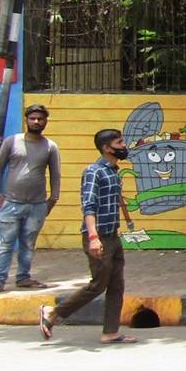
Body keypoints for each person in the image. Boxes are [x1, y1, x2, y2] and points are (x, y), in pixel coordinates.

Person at [39, 128, 136, 344]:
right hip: (99, 236)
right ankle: (53, 313)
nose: (123, 146)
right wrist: (93, 237)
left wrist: (128, 220)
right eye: (119, 143)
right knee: (98, 284)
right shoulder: (94, 171)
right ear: (106, 148)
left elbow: (116, 198)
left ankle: (110, 332)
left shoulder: (112, 170)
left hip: (112, 234)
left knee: (116, 285)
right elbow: (89, 205)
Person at [0, 103, 61, 293]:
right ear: (26, 119)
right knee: (5, 244)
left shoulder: (50, 146)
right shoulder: (12, 141)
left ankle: (23, 277)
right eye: (32, 118)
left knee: (28, 244)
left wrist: (53, 199)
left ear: (45, 122)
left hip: (37, 205)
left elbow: (55, 174)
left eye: (40, 119)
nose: (36, 121)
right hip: (10, 203)